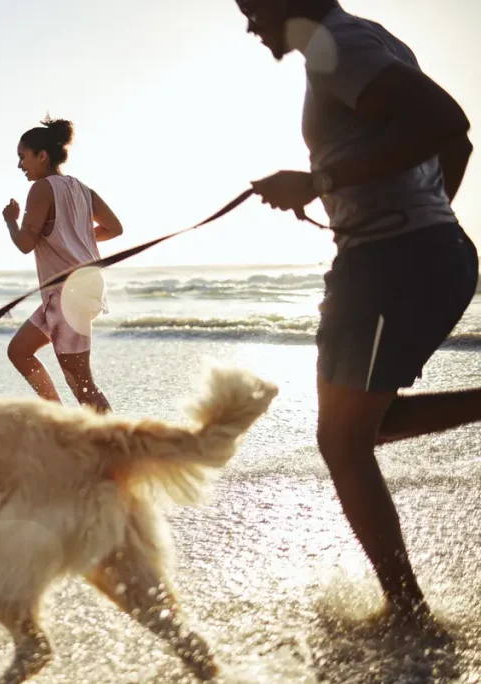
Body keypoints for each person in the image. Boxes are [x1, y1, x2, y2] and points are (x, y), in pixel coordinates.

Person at [235, 0, 478, 621]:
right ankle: (406, 606)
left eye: (251, 7)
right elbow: (460, 146)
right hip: (411, 256)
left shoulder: (337, 46)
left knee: (343, 444)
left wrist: (322, 183)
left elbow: (447, 120)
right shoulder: (369, 40)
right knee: (364, 428)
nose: (250, 24)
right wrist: (422, 217)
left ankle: (407, 611)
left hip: (389, 266)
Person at [1, 117, 124, 413]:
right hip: (73, 290)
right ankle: (58, 421)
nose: (20, 165)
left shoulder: (42, 189)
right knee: (19, 351)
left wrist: (10, 221)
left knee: (81, 382)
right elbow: (114, 228)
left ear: (42, 155)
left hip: (68, 292)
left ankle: (117, 445)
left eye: (23, 156)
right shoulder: (83, 189)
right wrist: (76, 236)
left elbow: (25, 244)